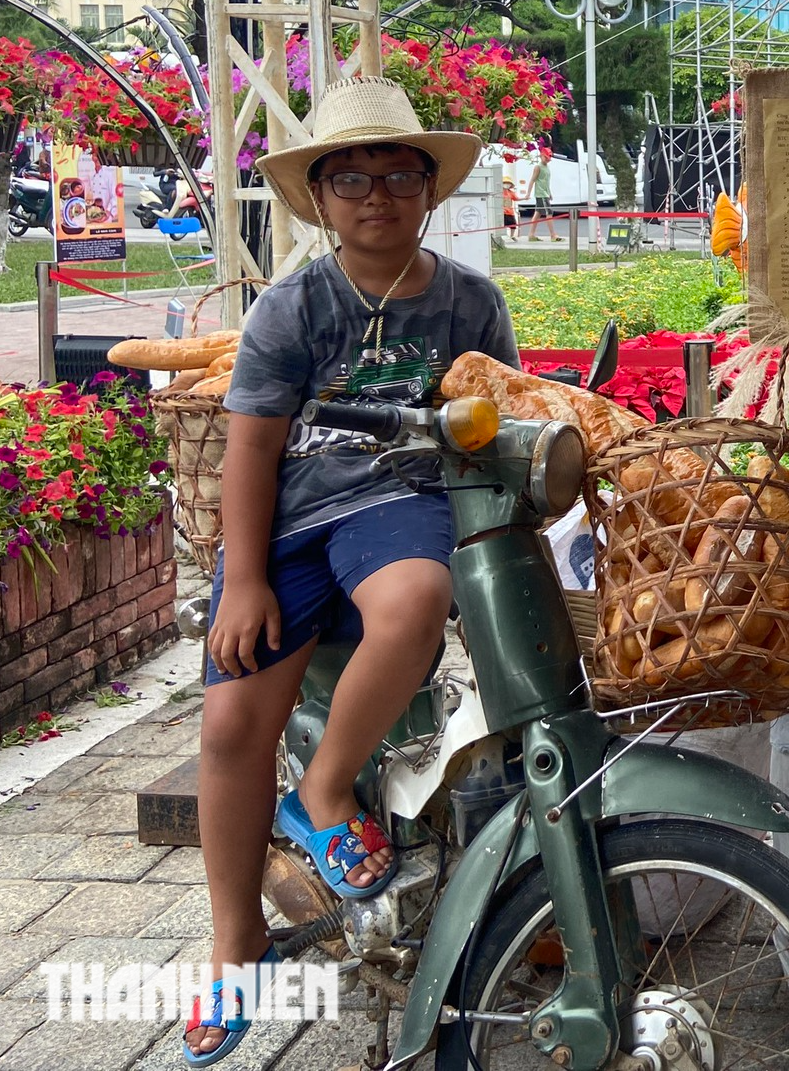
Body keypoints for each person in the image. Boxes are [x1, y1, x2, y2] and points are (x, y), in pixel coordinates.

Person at [185, 79, 518, 1064]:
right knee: (230, 719)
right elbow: (250, 449)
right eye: (352, 178)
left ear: (428, 189)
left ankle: (323, 793)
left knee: (416, 599)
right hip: (288, 516)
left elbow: (492, 414)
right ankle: (234, 939)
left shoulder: (468, 300)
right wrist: (243, 577)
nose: (377, 195)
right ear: (320, 199)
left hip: (397, 505)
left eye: (399, 175)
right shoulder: (292, 306)